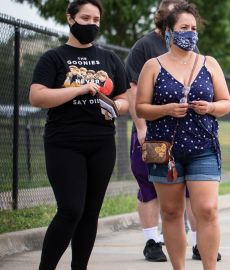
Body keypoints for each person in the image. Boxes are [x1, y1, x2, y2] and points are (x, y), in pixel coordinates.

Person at [29, 1, 129, 269]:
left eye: (96, 19)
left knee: (90, 213)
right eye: (85, 18)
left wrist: (116, 106)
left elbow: (124, 98)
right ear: (70, 19)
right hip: (64, 143)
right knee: (71, 209)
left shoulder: (110, 59)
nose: (92, 24)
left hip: (101, 143)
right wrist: (79, 89)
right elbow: (37, 96)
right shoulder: (53, 58)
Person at [136, 3, 230, 270]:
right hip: (165, 150)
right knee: (171, 212)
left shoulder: (209, 63)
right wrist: (166, 109)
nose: (189, 33)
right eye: (183, 28)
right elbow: (140, 108)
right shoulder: (152, 66)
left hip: (203, 147)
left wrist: (210, 107)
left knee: (208, 210)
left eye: (193, 29)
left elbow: (226, 102)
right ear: (169, 31)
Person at [125, 0, 186, 262]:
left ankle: (194, 242)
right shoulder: (146, 45)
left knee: (184, 187)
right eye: (171, 10)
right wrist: (141, 127)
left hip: (184, 131)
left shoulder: (188, 45)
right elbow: (132, 88)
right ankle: (152, 240)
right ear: (161, 15)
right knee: (150, 183)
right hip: (154, 129)